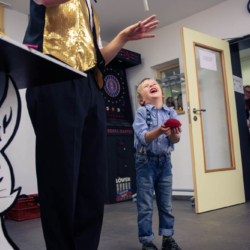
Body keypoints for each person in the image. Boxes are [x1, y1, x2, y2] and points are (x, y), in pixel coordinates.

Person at [23, 1, 159, 250]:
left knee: (92, 181)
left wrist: (122, 38)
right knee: (60, 176)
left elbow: (97, 59)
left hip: (90, 86)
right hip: (55, 76)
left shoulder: (90, 10)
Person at [133, 78, 182, 250]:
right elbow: (144, 137)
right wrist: (161, 130)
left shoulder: (171, 113)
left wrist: (172, 132)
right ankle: (146, 240)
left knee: (166, 204)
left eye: (154, 84)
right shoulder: (141, 112)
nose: (151, 86)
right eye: (146, 86)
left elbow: (175, 140)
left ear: (161, 93)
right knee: (145, 205)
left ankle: (168, 238)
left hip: (165, 163)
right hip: (145, 163)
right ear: (142, 99)